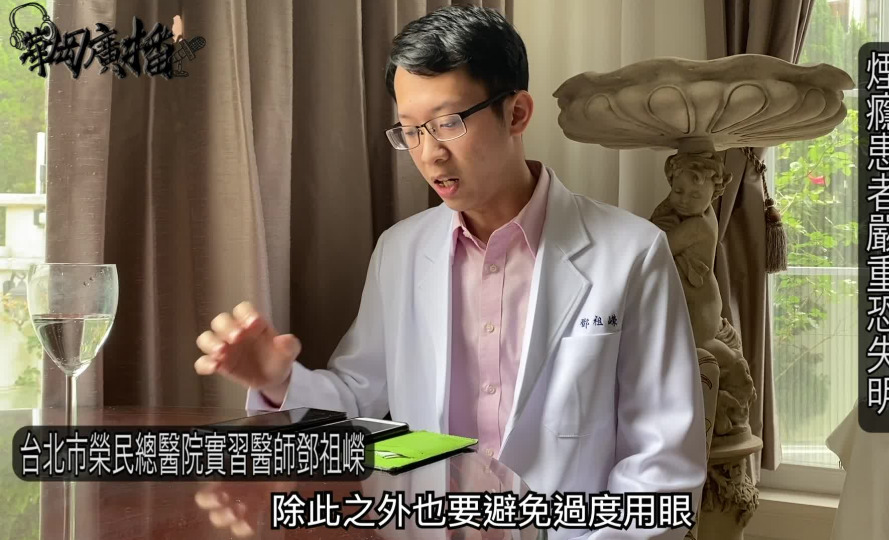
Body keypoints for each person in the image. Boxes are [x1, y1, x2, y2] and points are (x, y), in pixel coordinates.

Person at [195, 5, 706, 538]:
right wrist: (279, 382)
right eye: (410, 131)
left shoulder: (632, 254)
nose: (429, 154)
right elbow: (361, 408)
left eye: (447, 123)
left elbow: (662, 468)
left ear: (517, 113)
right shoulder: (400, 251)